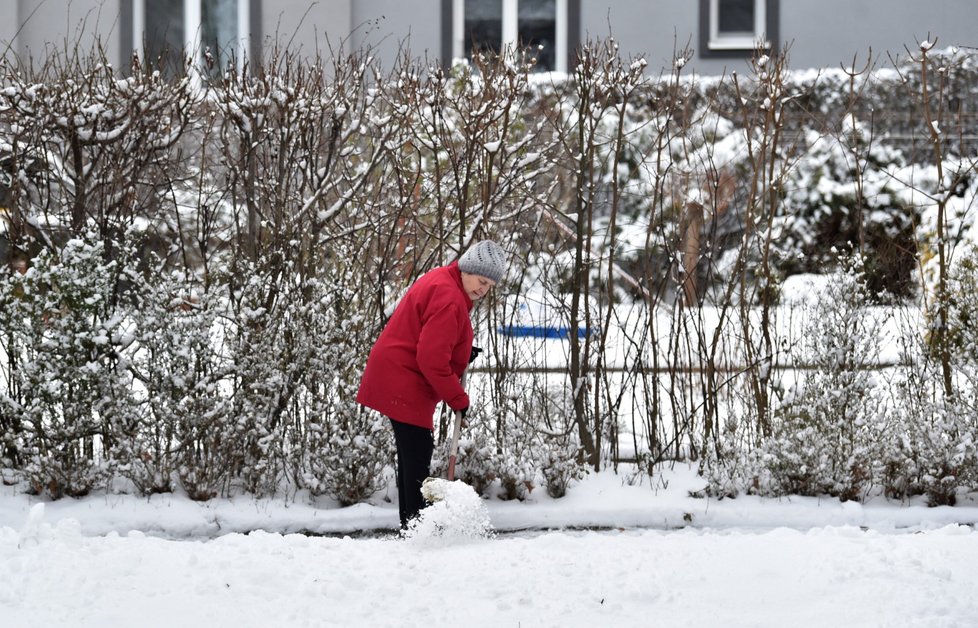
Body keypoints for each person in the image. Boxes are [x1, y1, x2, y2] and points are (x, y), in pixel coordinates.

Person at [356, 240, 507, 529]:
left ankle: (414, 526)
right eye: (481, 280)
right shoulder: (450, 298)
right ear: (467, 269)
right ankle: (415, 529)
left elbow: (433, 336)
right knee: (416, 457)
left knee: (413, 455)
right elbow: (431, 361)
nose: (483, 289)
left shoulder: (444, 280)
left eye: (489, 285)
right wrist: (457, 398)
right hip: (405, 379)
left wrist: (461, 351)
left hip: (398, 372)